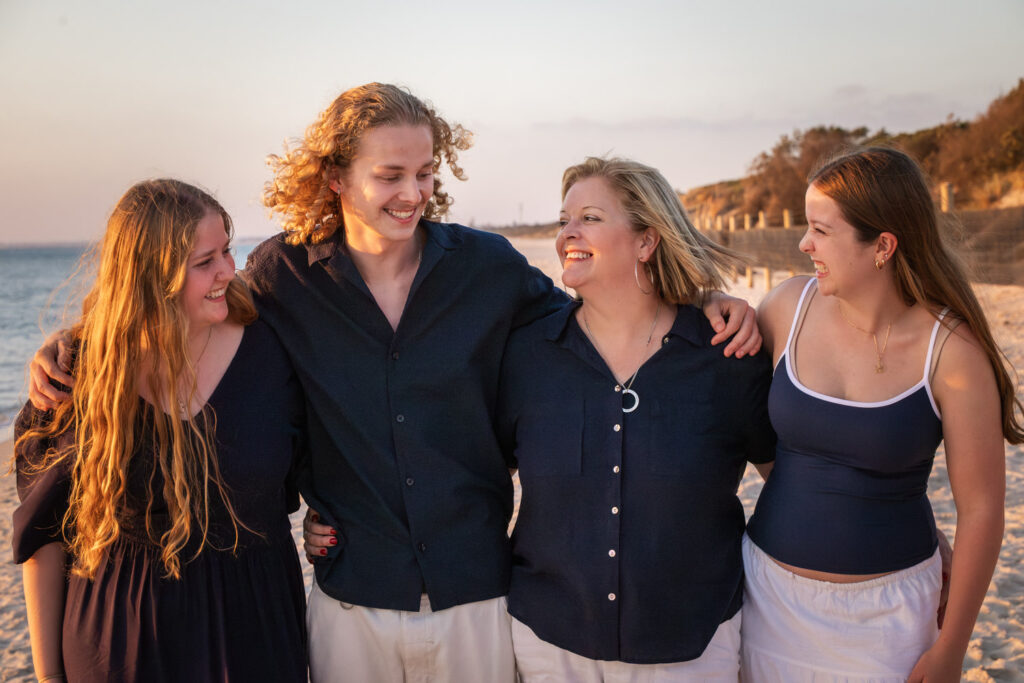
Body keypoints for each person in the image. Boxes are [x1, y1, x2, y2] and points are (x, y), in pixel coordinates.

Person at [29, 83, 760, 683]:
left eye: (426, 173)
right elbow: (174, 307)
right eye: (391, 175)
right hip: (351, 600)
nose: (415, 193)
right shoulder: (282, 277)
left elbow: (600, 316)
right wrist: (81, 342)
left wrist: (701, 301)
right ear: (337, 178)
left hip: (478, 596)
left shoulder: (490, 268)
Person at [12, 179, 307, 682]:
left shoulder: (273, 348)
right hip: (119, 645)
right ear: (149, 276)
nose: (228, 271)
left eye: (227, 251)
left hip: (256, 631)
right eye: (204, 262)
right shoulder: (80, 374)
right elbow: (44, 538)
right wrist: (46, 678)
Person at [742, 147, 1018, 681]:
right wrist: (716, 303)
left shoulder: (951, 351)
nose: (804, 245)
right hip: (767, 600)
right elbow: (738, 420)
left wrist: (951, 649)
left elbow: (983, 511)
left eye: (820, 231)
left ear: (882, 247)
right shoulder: (785, 308)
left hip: (890, 618)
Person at [495, 157, 775, 680]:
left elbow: (786, 482)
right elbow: (476, 475)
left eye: (590, 218)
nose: (567, 234)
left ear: (646, 242)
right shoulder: (527, 356)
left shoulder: (726, 356)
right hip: (550, 643)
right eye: (563, 221)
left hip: (693, 641)